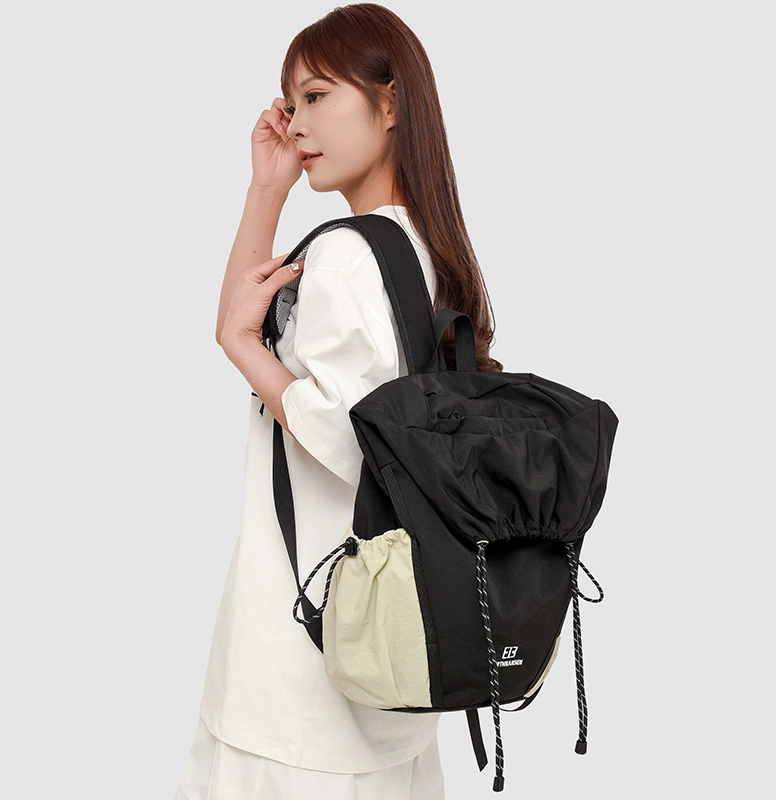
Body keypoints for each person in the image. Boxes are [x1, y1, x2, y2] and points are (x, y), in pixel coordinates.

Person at [174, 4, 502, 798]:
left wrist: (243, 348)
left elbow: (347, 437)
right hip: (391, 656)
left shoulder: (348, 257)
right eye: (291, 102)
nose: (296, 122)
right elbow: (249, 314)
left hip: (301, 669)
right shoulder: (420, 246)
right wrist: (268, 190)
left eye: (317, 96)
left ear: (390, 105)